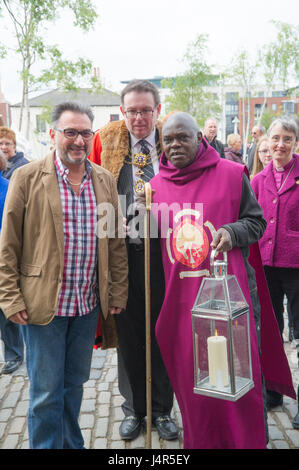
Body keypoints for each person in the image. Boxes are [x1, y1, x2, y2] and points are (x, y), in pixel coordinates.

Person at [146, 111, 295, 449]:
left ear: (199, 138)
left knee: (238, 381)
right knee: (194, 387)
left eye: (182, 137)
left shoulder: (231, 174)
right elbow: (153, 245)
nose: (174, 145)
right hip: (181, 305)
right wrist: (138, 219)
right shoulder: (154, 188)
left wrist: (231, 231)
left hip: (230, 300)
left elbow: (256, 222)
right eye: (168, 140)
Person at [0, 102, 128, 449]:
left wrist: (116, 292)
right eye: (70, 132)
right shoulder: (26, 178)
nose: (78, 140)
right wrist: (9, 297)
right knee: (45, 393)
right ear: (54, 134)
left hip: (86, 306)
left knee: (73, 385)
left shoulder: (102, 179)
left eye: (85, 132)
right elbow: (8, 243)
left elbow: (115, 242)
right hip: (42, 308)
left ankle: (72, 444)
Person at [89, 79, 177, 441]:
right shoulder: (105, 142)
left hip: (165, 258)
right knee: (128, 333)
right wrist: (107, 217)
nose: (138, 117)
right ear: (122, 112)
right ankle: (133, 409)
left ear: (158, 110)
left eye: (145, 110)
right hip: (123, 256)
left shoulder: (174, 142)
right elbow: (89, 192)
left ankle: (162, 410)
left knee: (163, 332)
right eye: (132, 111)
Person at [251, 116, 299, 412]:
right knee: (270, 329)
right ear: (268, 141)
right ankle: (273, 390)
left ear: (295, 144)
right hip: (265, 265)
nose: (280, 145)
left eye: (288, 139)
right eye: (276, 138)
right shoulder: (258, 180)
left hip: (295, 267)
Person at [0, 126, 28, 374]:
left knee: (7, 309)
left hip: (7, 253)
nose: (4, 147)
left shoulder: (12, 182)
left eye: (6, 143)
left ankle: (15, 353)